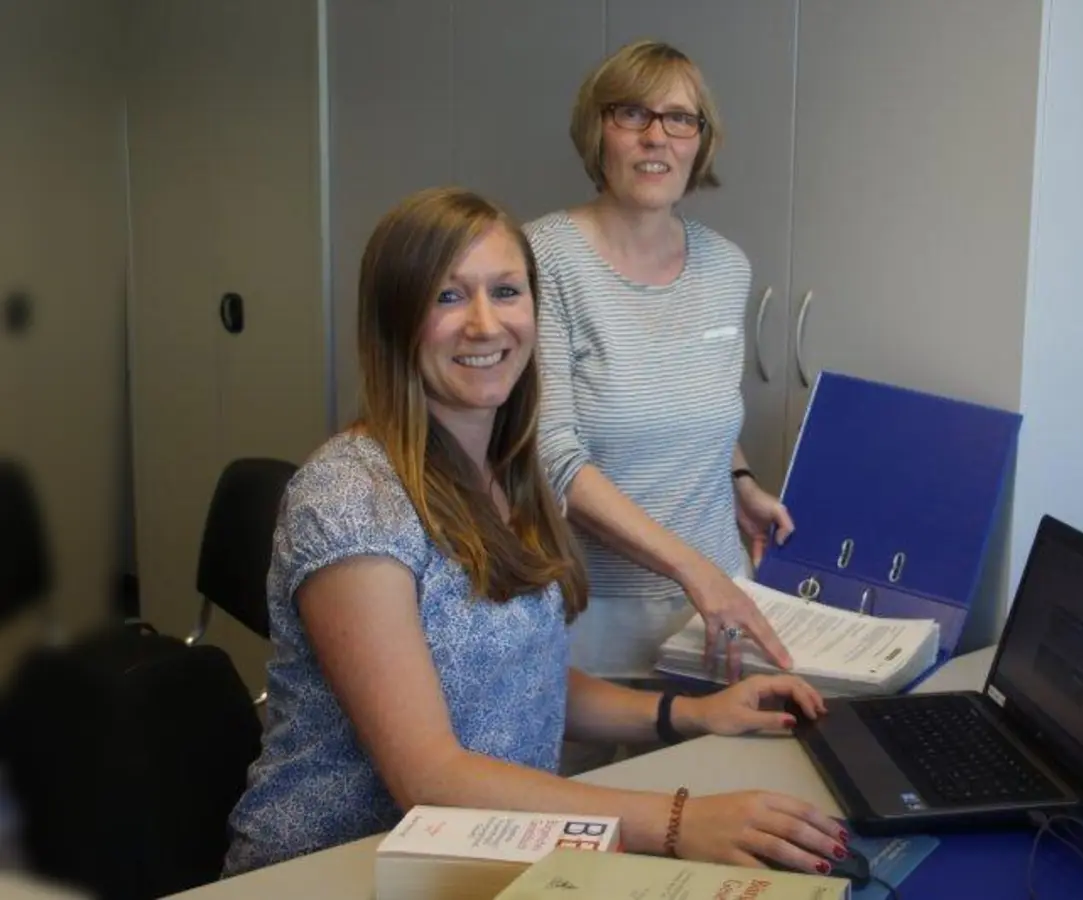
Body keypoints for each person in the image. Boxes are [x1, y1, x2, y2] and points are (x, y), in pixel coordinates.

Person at [220, 186, 848, 878]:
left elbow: (525, 681)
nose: (486, 324)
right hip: (334, 870)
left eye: (506, 291)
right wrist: (676, 821)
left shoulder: (507, 473)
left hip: (484, 855)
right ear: (395, 320)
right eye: (448, 297)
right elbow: (430, 778)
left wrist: (691, 714)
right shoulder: (351, 497)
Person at [524, 39, 793, 694]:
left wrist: (740, 481)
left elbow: (695, 402)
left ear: (700, 141)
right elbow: (554, 458)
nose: (656, 137)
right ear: (598, 131)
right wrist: (692, 569)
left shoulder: (726, 267)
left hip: (716, 606)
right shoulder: (543, 258)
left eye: (679, 118)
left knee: (712, 758)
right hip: (592, 612)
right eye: (632, 114)